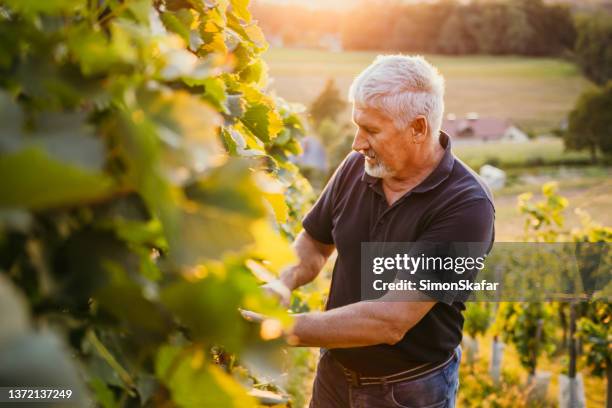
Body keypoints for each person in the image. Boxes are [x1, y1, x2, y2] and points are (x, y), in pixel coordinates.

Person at [265, 55, 495, 408]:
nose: (357, 143)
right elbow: (314, 242)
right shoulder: (359, 166)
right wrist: (283, 282)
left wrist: (278, 329)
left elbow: (390, 321)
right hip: (334, 376)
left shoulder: (467, 205)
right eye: (358, 126)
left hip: (408, 393)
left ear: (418, 128)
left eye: (371, 130)